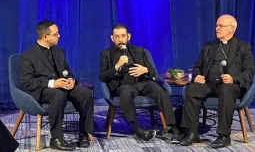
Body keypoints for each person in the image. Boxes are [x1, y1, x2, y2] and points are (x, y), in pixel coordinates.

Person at [180, 14, 255, 148]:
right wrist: (197, 75)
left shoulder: (243, 47)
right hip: (209, 83)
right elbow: (197, 66)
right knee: (191, 89)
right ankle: (191, 132)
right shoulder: (208, 46)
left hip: (230, 85)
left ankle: (224, 136)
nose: (217, 28)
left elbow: (249, 71)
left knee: (226, 90)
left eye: (220, 26)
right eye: (216, 25)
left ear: (231, 29)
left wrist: (233, 78)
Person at [98, 24, 180, 143]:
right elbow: (102, 76)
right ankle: (137, 129)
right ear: (112, 38)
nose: (120, 39)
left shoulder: (139, 51)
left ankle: (173, 127)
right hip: (123, 85)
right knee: (126, 93)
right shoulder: (106, 54)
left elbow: (153, 71)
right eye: (117, 37)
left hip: (143, 82)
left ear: (128, 36)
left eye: (123, 36)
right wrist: (117, 66)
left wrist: (145, 70)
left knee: (160, 90)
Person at [20, 20, 93, 151]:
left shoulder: (59, 51)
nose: (59, 36)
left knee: (85, 93)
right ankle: (56, 138)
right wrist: (52, 83)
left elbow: (67, 71)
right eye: (56, 34)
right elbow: (27, 82)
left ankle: (83, 133)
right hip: (41, 89)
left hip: (62, 86)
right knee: (57, 95)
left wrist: (70, 80)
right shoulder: (27, 55)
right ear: (45, 36)